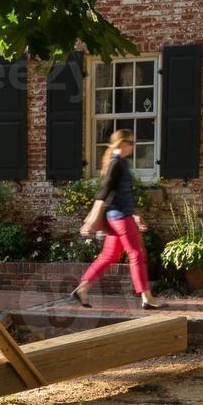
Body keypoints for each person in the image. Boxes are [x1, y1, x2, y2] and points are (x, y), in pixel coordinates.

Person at [70, 128, 163, 309]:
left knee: (109, 256)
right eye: (131, 142)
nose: (133, 146)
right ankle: (147, 297)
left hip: (119, 217)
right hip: (120, 218)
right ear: (122, 143)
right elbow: (104, 193)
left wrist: (135, 214)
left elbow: (123, 194)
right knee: (137, 254)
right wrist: (91, 220)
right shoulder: (117, 164)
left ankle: (82, 289)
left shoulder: (120, 163)